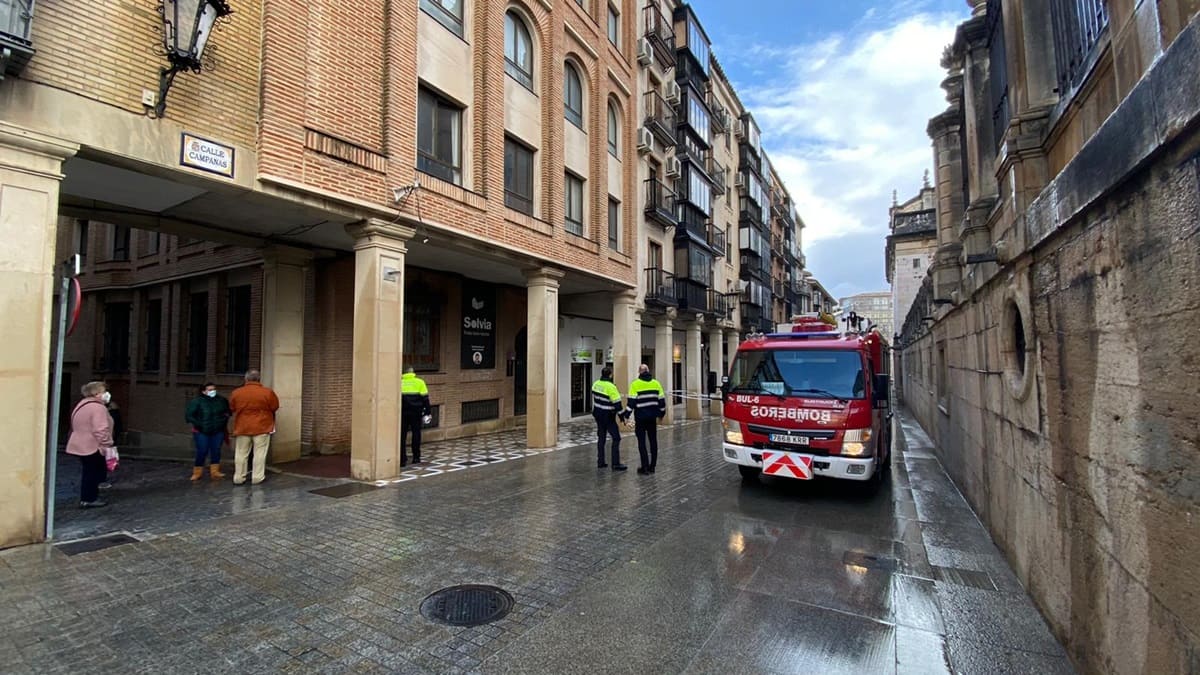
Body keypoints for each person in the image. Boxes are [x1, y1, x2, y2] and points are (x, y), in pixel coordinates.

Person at [65, 381, 115, 508]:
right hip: (92, 445)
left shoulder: (82, 404)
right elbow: (100, 429)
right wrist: (107, 443)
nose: (106, 394)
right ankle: (89, 498)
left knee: (90, 471)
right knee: (92, 472)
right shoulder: (98, 408)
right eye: (104, 391)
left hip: (80, 443)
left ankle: (89, 496)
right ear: (97, 393)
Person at [229, 370, 279, 485]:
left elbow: (232, 407)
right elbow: (274, 406)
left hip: (242, 426)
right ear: (259, 379)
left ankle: (238, 477)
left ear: (246, 379)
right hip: (262, 426)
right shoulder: (267, 392)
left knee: (241, 453)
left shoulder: (237, 392)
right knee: (259, 453)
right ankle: (257, 477)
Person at [185, 382, 231, 481]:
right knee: (202, 450)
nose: (212, 391)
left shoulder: (221, 400)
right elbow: (189, 415)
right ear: (203, 391)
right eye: (209, 390)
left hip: (218, 430)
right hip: (201, 431)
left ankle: (215, 471)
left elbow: (227, 412)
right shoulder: (197, 402)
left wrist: (222, 421)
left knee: (216, 450)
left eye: (213, 389)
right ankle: (197, 472)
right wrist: (199, 424)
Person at [627, 363, 667, 475]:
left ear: (639, 372)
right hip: (652, 418)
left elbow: (631, 402)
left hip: (640, 418)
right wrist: (661, 414)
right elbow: (662, 401)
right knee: (653, 441)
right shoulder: (656, 383)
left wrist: (626, 415)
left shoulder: (635, 384)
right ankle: (652, 466)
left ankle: (644, 467)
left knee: (642, 442)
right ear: (648, 371)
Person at [590, 366, 629, 471]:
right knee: (616, 438)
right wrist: (622, 417)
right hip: (608, 416)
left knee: (601, 438)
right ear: (610, 375)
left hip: (598, 414)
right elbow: (617, 404)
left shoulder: (596, 384)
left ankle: (601, 462)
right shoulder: (611, 387)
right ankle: (615, 464)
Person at [400, 367, 432, 466]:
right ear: (413, 373)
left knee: (401, 436)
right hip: (416, 412)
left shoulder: (399, 382)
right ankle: (416, 457)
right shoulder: (420, 382)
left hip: (402, 413)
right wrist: (428, 411)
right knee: (416, 434)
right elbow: (425, 398)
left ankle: (402, 459)